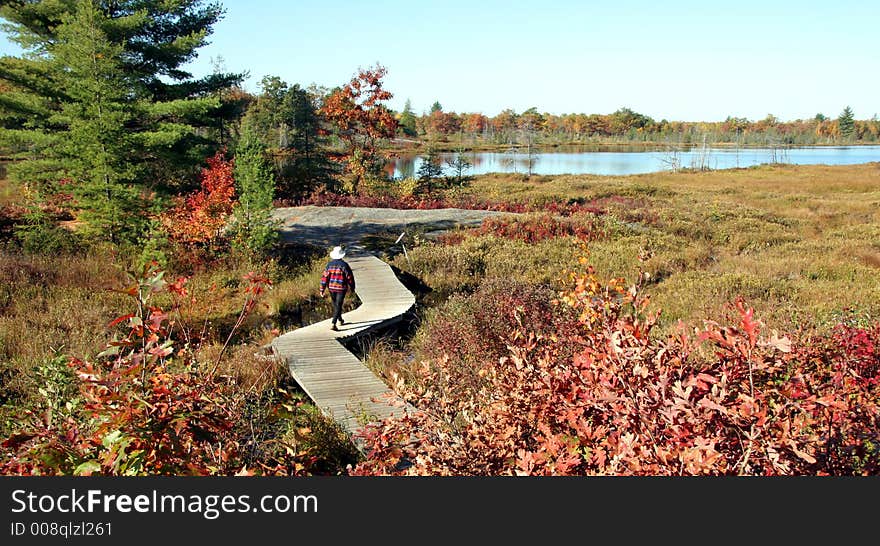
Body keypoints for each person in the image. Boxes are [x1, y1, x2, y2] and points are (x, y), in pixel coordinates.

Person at [319, 245, 356, 331]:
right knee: (338, 305)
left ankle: (340, 320)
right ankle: (333, 323)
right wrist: (352, 287)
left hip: (331, 288)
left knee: (336, 305)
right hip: (341, 288)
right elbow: (350, 278)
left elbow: (324, 278)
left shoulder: (329, 265)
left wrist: (322, 289)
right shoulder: (344, 265)